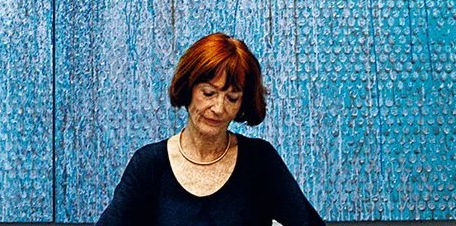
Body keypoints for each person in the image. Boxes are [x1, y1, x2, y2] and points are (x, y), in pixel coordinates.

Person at [96, 33, 324, 226]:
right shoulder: (150, 164)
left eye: (232, 98)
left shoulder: (259, 160)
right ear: (188, 88)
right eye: (208, 93)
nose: (219, 108)